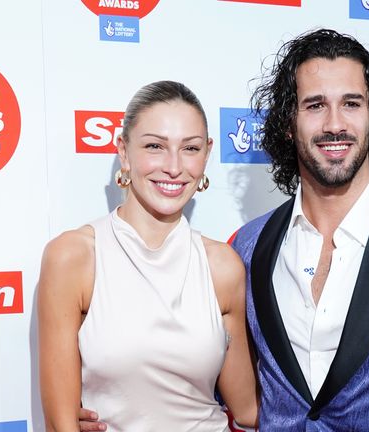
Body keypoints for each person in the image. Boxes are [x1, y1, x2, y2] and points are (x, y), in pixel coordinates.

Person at [79, 29, 369, 431]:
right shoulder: (248, 247)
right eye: (315, 104)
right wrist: (117, 409)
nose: (335, 124)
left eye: (352, 103)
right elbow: (215, 381)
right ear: (289, 123)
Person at [39, 81, 257, 432]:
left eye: (190, 148)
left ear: (207, 154)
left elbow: (249, 409)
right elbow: (60, 424)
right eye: (155, 146)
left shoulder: (222, 266)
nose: (174, 167)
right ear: (123, 152)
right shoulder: (73, 258)